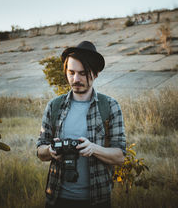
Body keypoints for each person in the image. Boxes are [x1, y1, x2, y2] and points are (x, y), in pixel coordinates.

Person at [37, 41, 126, 208]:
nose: (76, 79)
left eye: (83, 73)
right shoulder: (54, 106)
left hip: (97, 199)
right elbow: (40, 151)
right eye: (71, 73)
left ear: (96, 73)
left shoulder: (110, 106)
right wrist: (50, 150)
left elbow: (120, 156)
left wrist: (93, 149)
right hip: (56, 198)